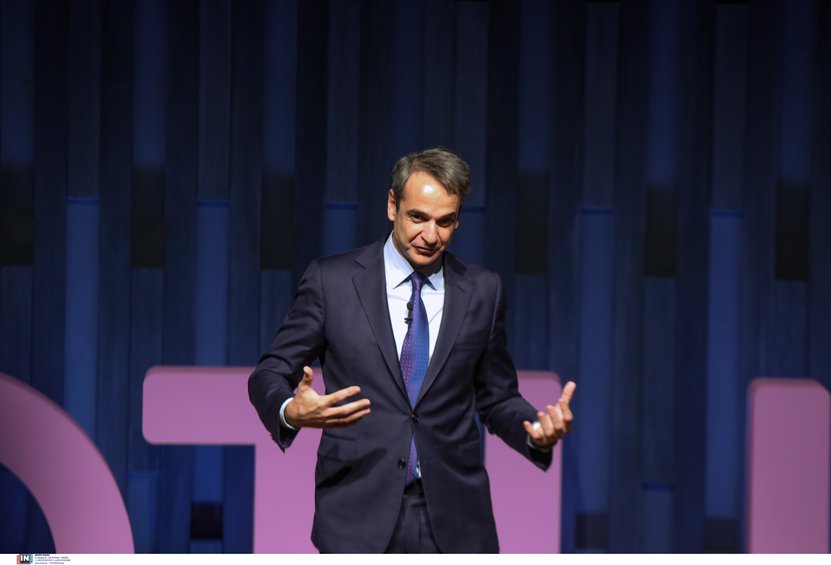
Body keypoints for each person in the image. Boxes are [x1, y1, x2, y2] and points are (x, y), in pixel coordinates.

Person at [248, 147, 575, 553]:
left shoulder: (482, 291)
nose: (431, 235)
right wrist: (289, 411)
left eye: (445, 221)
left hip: (455, 520)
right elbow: (269, 372)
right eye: (418, 217)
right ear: (392, 205)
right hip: (357, 514)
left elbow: (497, 397)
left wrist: (535, 430)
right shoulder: (332, 282)